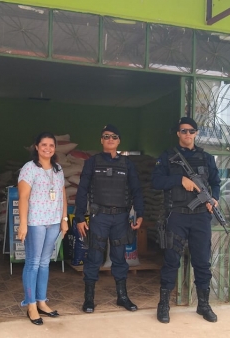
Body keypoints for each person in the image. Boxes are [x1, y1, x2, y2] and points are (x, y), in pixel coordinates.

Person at [152, 116, 221, 324]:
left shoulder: (206, 158)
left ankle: (203, 304)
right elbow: (155, 181)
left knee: (202, 262)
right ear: (178, 134)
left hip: (201, 217)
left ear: (196, 133)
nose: (188, 134)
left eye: (191, 131)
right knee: (172, 260)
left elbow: (216, 182)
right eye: (183, 131)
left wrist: (214, 199)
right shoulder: (167, 156)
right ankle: (163, 304)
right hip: (177, 216)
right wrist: (179, 180)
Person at [74, 124, 144, 313]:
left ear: (119, 140)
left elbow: (136, 190)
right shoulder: (93, 162)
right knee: (94, 257)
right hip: (99, 217)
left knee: (119, 258)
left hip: (121, 218)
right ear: (101, 140)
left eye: (114, 136)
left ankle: (122, 297)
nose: (110, 139)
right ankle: (89, 299)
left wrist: (140, 213)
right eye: (106, 136)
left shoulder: (127, 164)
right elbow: (82, 190)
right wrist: (80, 217)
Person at [17, 132, 69, 325]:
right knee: (33, 263)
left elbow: (63, 194)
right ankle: (30, 305)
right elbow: (23, 197)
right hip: (36, 222)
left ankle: (41, 301)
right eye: (44, 145)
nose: (48, 148)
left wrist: (64, 219)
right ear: (36, 147)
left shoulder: (58, 169)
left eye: (51, 145)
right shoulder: (29, 169)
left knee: (45, 263)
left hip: (54, 222)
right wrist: (23, 223)